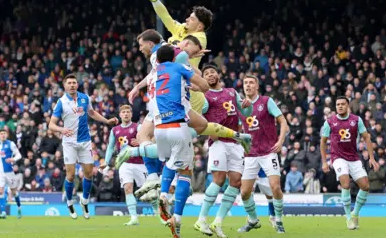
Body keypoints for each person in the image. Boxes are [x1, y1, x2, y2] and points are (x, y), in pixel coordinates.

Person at [121, 31, 252, 199]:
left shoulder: (170, 54)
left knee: (150, 137)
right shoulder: (168, 55)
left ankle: (155, 177)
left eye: (141, 45)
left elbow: (195, 77)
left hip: (170, 104)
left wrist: (194, 72)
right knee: (188, 133)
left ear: (151, 44)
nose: (139, 48)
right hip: (170, 104)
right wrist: (137, 87)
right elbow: (176, 70)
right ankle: (159, 181)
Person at [152, 45, 209, 238]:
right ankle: (174, 213)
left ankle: (164, 193)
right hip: (177, 125)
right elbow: (205, 86)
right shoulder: (178, 67)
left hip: (159, 128)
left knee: (170, 162)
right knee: (186, 169)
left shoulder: (155, 71)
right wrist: (191, 74)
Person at [48, 74, 118, 219]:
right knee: (71, 175)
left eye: (74, 82)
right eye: (69, 83)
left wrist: (106, 121)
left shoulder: (85, 98)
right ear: (65, 86)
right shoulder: (61, 102)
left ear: (77, 85)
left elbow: (91, 112)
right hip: (69, 143)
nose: (72, 85)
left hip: (85, 141)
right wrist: (62, 130)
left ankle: (84, 201)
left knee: (88, 173)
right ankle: (69, 202)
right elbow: (51, 125)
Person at [194, 64, 253, 237]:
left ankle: (217, 222)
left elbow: (246, 113)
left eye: (213, 72)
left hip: (236, 142)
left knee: (235, 182)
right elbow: (199, 115)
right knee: (218, 179)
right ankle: (201, 219)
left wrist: (248, 105)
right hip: (218, 141)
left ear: (218, 74)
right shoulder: (204, 96)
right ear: (203, 79)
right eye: (206, 74)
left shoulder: (232, 92)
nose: (210, 75)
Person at [236, 75, 288, 234]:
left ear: (257, 86)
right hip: (250, 154)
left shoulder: (266, 101)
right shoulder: (239, 106)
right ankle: (252, 220)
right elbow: (238, 130)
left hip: (268, 152)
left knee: (275, 187)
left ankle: (278, 220)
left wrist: (280, 142)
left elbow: (283, 122)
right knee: (244, 192)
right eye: (245, 83)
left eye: (251, 82)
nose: (248, 85)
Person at [320, 96, 379, 231]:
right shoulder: (329, 122)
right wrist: (324, 161)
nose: (340, 106)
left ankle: (355, 213)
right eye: (337, 104)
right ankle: (348, 218)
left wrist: (371, 157)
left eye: (342, 104)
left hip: (353, 158)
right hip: (338, 157)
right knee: (345, 184)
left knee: (365, 186)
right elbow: (323, 142)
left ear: (348, 106)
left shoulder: (356, 120)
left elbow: (367, 138)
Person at [101, 104, 148, 226]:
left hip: (140, 163)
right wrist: (106, 162)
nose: (126, 114)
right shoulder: (115, 130)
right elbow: (110, 147)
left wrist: (140, 141)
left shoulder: (138, 127)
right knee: (128, 188)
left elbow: (149, 139)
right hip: (125, 164)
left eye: (128, 112)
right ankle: (134, 218)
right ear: (120, 115)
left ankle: (159, 214)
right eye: (123, 112)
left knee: (148, 192)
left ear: (131, 114)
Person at [0, 127, 23, 219]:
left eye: (4, 133)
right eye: (1, 133)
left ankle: (19, 208)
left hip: (9, 171)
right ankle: (3, 212)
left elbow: (19, 155)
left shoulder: (11, 144)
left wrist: (13, 159)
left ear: (7, 135)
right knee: (0, 191)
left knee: (14, 192)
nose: (3, 135)